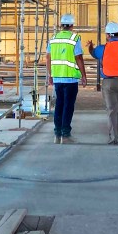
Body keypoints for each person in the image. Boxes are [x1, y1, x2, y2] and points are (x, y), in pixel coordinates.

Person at [47, 13, 87, 144]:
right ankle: (65, 134)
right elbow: (78, 57)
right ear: (72, 25)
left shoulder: (53, 38)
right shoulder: (75, 38)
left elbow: (48, 57)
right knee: (68, 105)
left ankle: (57, 133)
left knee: (59, 104)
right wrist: (83, 75)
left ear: (61, 25)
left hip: (58, 77)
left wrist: (50, 75)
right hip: (70, 78)